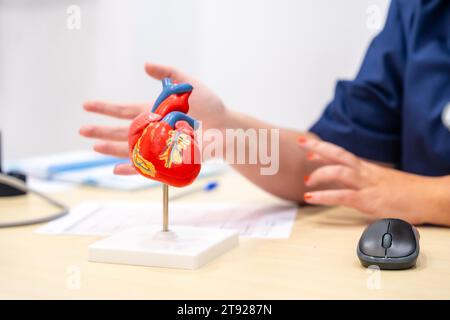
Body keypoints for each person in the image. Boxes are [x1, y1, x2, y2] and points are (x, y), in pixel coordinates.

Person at [80, 0, 450, 227]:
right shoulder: (422, 10)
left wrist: (424, 195)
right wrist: (225, 129)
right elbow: (329, 170)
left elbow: (383, 186)